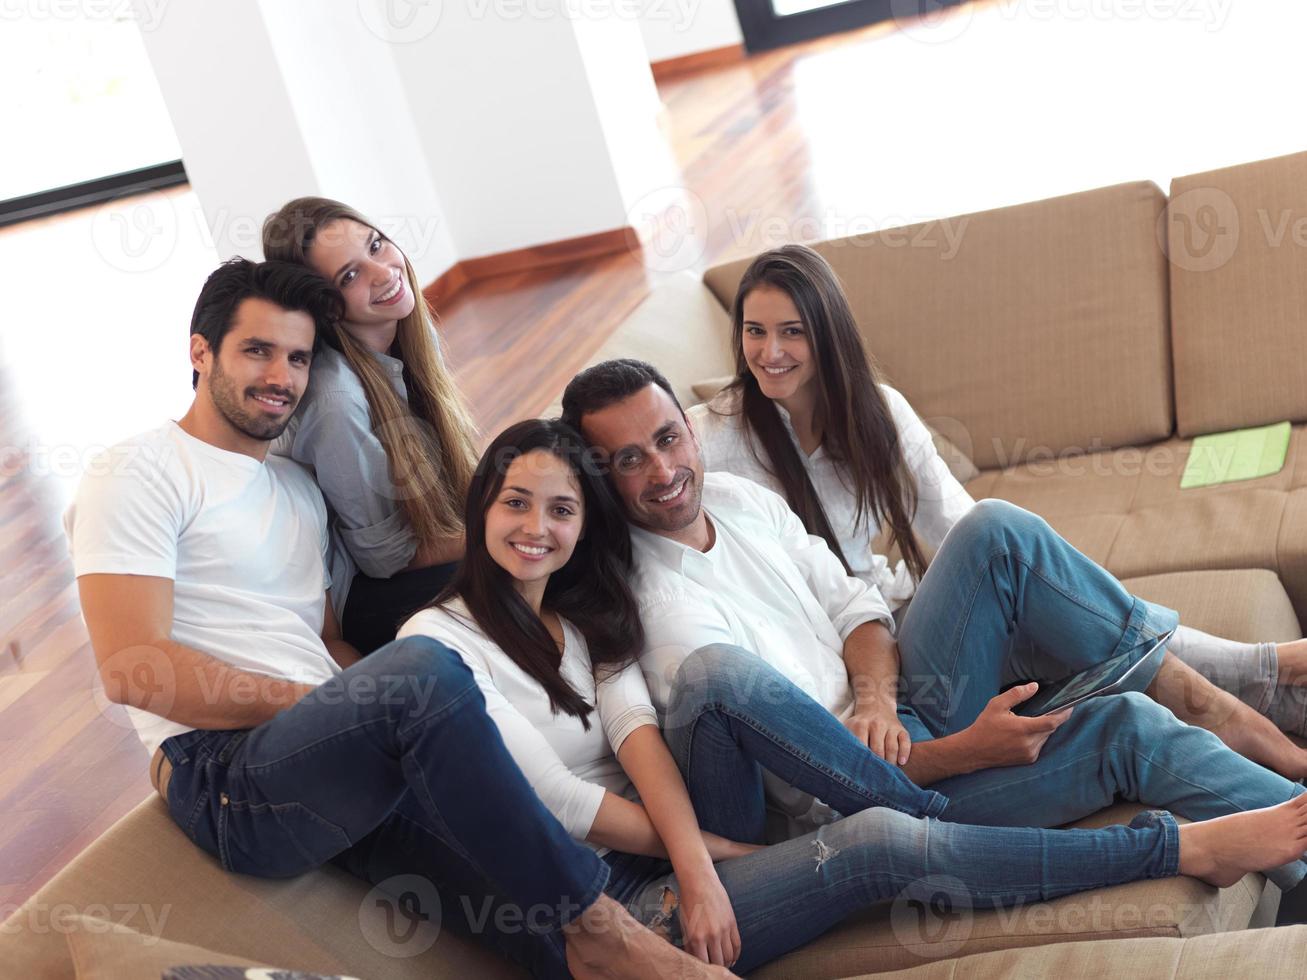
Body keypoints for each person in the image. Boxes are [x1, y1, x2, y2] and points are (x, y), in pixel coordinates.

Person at [398, 417, 1306, 974]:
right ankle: (1174, 841)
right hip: (671, 881)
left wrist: (883, 710)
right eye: (516, 505)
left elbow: (845, 610)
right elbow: (568, 803)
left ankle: (1253, 785)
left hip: (794, 795)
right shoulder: (451, 642)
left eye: (558, 510)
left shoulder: (586, 615)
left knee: (1121, 717)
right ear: (481, 510)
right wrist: (707, 861)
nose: (537, 529)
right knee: (860, 816)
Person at [64, 259, 720, 980]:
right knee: (423, 673)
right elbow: (132, 670)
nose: (280, 374)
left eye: (297, 357)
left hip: (329, 757)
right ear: (200, 351)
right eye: (256, 350)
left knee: (557, 945)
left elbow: (324, 642)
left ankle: (643, 947)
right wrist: (354, 705)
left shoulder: (295, 489)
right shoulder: (138, 471)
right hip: (227, 777)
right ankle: (611, 933)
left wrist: (373, 711)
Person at [560, 358, 1307, 894]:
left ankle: (1225, 709)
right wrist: (956, 752)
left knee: (993, 532)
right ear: (601, 476)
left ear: (688, 431)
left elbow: (857, 610)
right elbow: (806, 786)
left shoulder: (734, 497)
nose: (663, 471)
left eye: (667, 438)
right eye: (629, 460)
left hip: (890, 714)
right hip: (858, 795)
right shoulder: (660, 612)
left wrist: (880, 702)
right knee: (1124, 727)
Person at [690, 243, 1307, 771]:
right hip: (854, 671)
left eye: (791, 330)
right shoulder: (706, 440)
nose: (770, 351)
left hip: (902, 619)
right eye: (755, 331)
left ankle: (1264, 693)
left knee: (1039, 591)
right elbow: (630, 469)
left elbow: (958, 528)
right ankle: (1264, 671)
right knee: (1009, 544)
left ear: (827, 334)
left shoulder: (877, 411)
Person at [262, 198, 480, 654]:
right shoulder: (336, 402)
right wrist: (502, 532)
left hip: (416, 558)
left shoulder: (405, 330)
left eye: (376, 245)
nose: (383, 273)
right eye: (350, 276)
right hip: (367, 597)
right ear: (326, 307)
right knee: (536, 561)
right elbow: (388, 559)